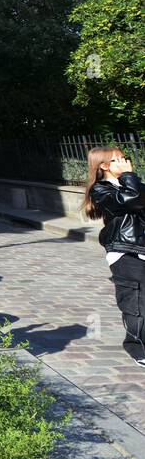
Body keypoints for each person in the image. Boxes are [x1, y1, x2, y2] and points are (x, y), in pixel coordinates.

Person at [86, 147, 145, 368]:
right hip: (125, 252)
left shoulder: (132, 184)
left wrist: (131, 179)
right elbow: (131, 201)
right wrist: (130, 177)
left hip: (142, 247)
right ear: (103, 166)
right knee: (136, 302)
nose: (126, 162)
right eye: (118, 159)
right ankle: (137, 347)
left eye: (124, 157)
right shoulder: (100, 190)